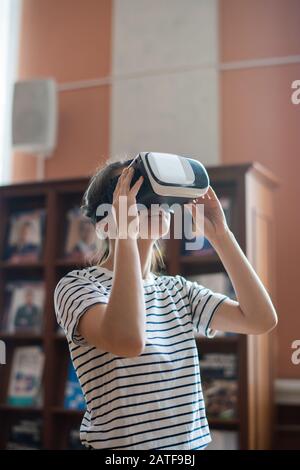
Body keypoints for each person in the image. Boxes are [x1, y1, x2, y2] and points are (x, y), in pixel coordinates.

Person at [54, 157, 277, 450]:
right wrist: (127, 236)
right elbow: (128, 340)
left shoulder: (177, 290)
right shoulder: (77, 287)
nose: (158, 204)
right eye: (136, 196)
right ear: (106, 225)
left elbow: (260, 319)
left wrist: (221, 236)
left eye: (159, 197)